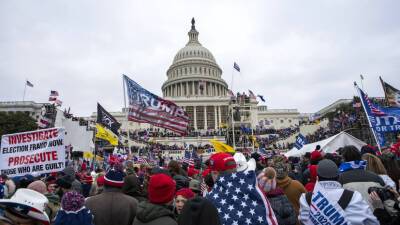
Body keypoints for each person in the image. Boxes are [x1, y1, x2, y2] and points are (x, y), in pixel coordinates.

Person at [299, 159, 379, 225]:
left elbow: (303, 221)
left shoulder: (305, 199)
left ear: (317, 178)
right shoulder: (354, 197)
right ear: (338, 177)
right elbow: (372, 222)